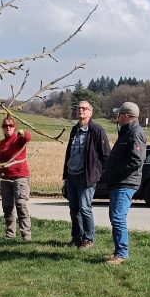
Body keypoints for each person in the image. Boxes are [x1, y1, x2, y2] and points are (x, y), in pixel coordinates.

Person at [101, 101, 146, 265]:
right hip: (119, 183)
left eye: (119, 115)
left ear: (126, 116)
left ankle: (122, 254)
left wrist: (117, 172)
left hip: (125, 183)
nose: (117, 118)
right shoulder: (126, 132)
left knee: (118, 217)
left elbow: (137, 160)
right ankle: (117, 252)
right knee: (115, 217)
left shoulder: (135, 133)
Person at [62, 101, 110, 250]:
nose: (81, 110)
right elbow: (69, 153)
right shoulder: (74, 130)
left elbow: (106, 155)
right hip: (72, 175)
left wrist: (97, 174)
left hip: (86, 177)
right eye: (79, 108)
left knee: (84, 208)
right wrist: (65, 176)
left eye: (84, 108)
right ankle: (77, 238)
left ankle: (88, 239)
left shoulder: (96, 130)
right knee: (74, 209)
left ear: (90, 112)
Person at [0, 116, 33, 240]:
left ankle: (26, 235)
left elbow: (28, 137)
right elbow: (1, 160)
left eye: (10, 125)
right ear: (2, 128)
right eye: (5, 125)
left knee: (20, 204)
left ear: (14, 127)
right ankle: (10, 234)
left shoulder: (18, 139)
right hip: (6, 179)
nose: (8, 128)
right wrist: (0, 170)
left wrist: (23, 132)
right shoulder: (2, 143)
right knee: (7, 207)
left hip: (20, 177)